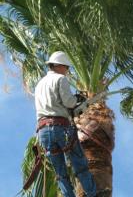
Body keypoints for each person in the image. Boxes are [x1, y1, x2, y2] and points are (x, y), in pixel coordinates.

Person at [35, 51, 97, 197]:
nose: (67, 71)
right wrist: (79, 99)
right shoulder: (60, 79)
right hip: (60, 128)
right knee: (80, 166)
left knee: (60, 173)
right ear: (59, 66)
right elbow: (69, 102)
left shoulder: (40, 84)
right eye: (66, 67)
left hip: (43, 131)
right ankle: (93, 194)